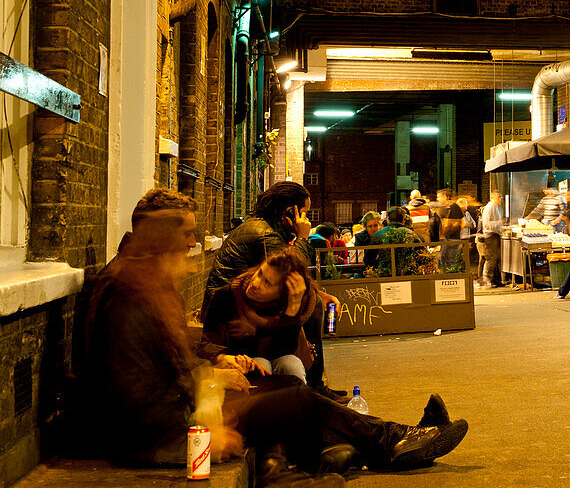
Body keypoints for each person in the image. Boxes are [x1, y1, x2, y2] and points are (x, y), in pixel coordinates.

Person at [79, 188, 468, 484]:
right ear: (161, 234)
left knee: (284, 383)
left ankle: (323, 456)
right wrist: (203, 427)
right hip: (166, 434)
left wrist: (214, 368)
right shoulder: (129, 291)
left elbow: (168, 364)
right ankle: (384, 443)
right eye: (187, 234)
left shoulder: (146, 279)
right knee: (294, 396)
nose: (193, 243)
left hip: (185, 412)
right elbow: (134, 393)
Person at [203, 181, 345, 402]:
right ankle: (315, 384)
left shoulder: (264, 227)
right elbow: (287, 271)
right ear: (290, 211)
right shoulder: (264, 233)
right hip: (235, 309)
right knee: (313, 305)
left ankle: (311, 389)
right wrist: (303, 237)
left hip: (250, 307)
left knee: (314, 302)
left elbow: (288, 276)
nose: (305, 220)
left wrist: (319, 293)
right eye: (303, 213)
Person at [199, 250, 316, 385]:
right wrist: (232, 354)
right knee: (261, 363)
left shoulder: (290, 304)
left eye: (267, 283)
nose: (255, 283)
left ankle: (299, 403)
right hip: (238, 364)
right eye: (259, 273)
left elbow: (285, 350)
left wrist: (293, 309)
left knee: (291, 363)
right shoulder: (227, 296)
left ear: (282, 294)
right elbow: (207, 344)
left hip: (277, 361)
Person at [372, 207, 425, 276]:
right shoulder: (411, 234)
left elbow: (369, 258)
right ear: (403, 222)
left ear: (388, 220)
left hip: (384, 275)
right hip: (408, 275)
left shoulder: (378, 234)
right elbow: (423, 255)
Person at [476, 191, 504, 289]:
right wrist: (500, 222)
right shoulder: (490, 207)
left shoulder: (496, 207)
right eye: (498, 197)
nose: (500, 199)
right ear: (492, 197)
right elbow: (487, 224)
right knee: (492, 258)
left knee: (496, 258)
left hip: (495, 235)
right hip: (490, 236)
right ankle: (487, 280)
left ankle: (495, 279)